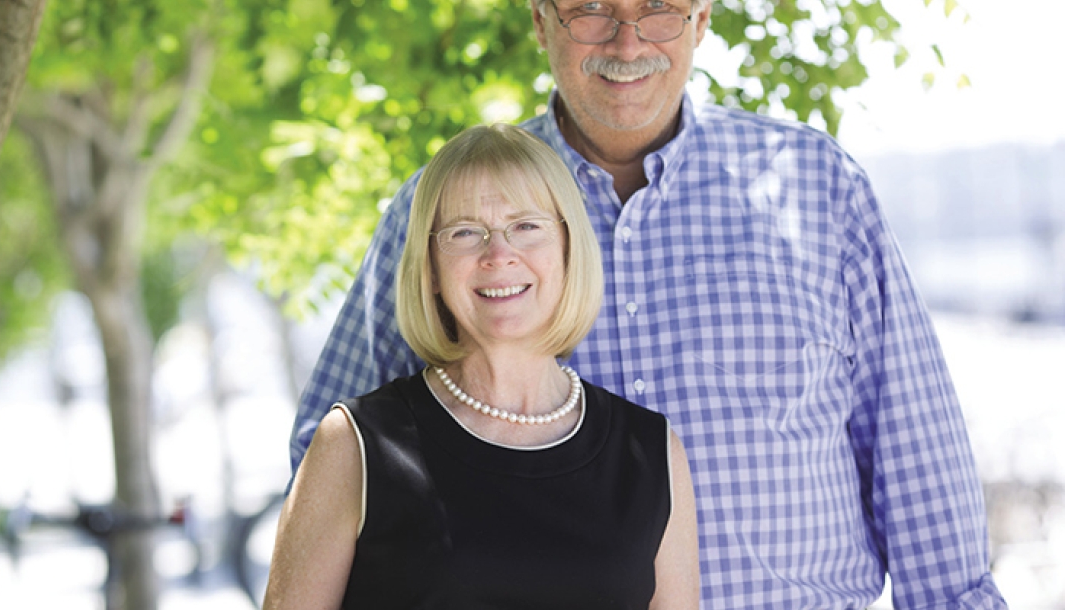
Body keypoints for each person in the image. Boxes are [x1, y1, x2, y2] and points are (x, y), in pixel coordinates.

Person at [289, 0, 1008, 608]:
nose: (627, 40)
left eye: (659, 7)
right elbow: (339, 469)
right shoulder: (449, 209)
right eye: (593, 8)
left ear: (700, 19)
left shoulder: (816, 187)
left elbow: (919, 464)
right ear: (541, 20)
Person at [264, 124, 700, 609]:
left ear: (568, 248)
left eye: (526, 226)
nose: (498, 255)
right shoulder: (355, 444)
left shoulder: (652, 451)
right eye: (465, 232)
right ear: (429, 268)